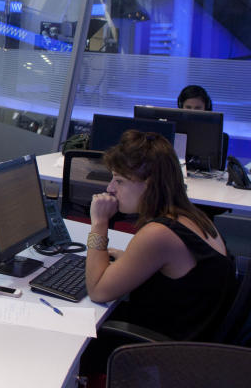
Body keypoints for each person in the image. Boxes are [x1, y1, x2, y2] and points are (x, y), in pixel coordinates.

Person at [83, 130, 234, 353]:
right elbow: (182, 275)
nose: (110, 188)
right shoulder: (194, 216)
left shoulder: (159, 234)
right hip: (196, 344)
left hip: (163, 355)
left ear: (150, 184)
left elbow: (97, 290)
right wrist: (130, 260)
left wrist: (99, 223)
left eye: (120, 181)